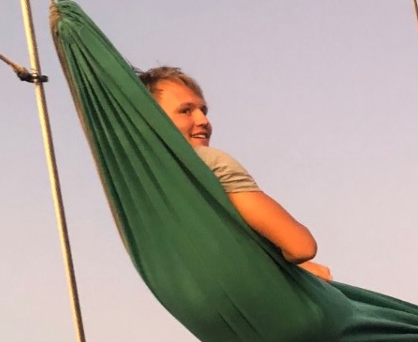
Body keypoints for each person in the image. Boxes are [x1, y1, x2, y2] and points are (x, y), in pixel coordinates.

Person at [140, 66, 331, 280]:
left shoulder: (138, 180)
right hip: (244, 286)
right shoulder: (209, 161)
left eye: (203, 111)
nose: (203, 121)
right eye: (186, 110)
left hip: (179, 287)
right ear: (152, 119)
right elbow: (301, 246)